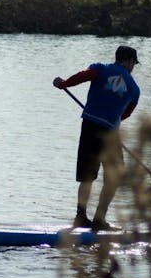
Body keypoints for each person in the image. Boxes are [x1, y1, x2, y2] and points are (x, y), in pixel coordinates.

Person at [53, 46, 140, 231]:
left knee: (87, 176)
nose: (133, 67)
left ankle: (80, 217)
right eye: (134, 63)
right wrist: (112, 119)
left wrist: (64, 83)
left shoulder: (100, 69)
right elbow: (126, 114)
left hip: (90, 126)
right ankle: (99, 219)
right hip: (110, 133)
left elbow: (83, 76)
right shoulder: (134, 89)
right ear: (129, 61)